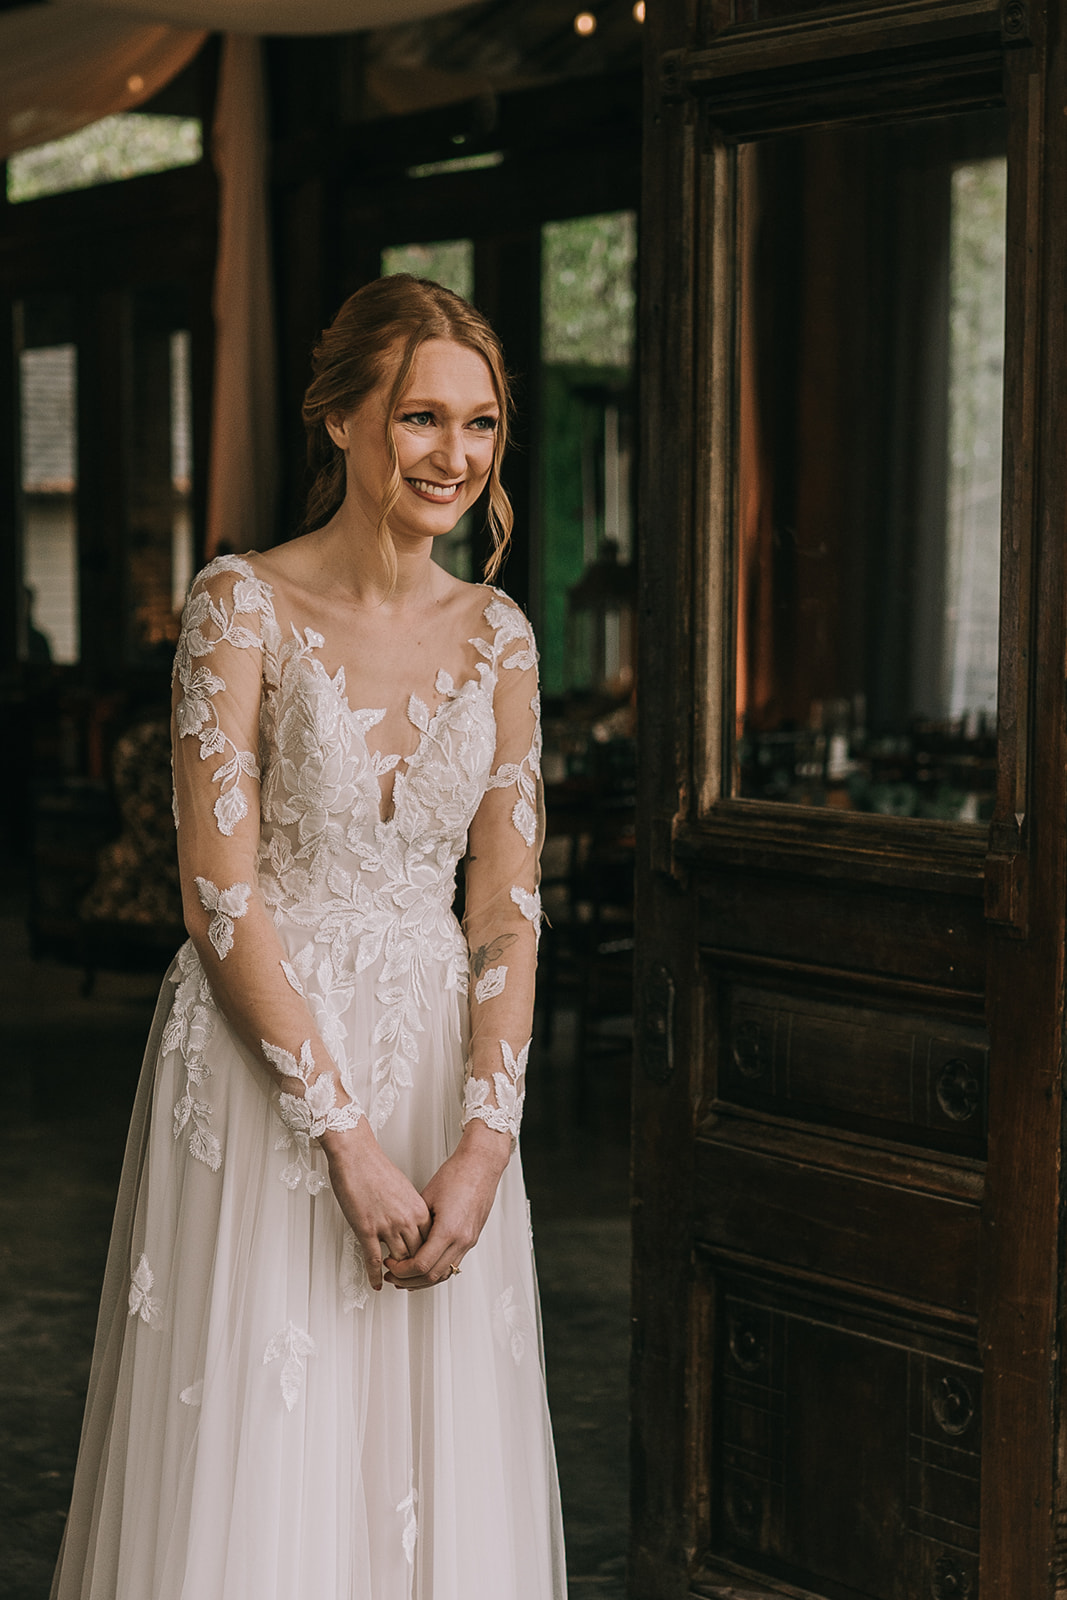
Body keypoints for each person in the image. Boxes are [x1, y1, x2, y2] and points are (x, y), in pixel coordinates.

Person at [51, 275, 566, 1600]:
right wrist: (345, 1142)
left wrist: (483, 1143)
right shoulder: (240, 607)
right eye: (420, 419)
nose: (456, 455)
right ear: (336, 420)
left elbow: (505, 904)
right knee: (270, 1448)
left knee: (427, 1453)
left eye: (483, 424)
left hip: (438, 1071)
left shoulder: (500, 636)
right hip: (271, 1070)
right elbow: (220, 897)